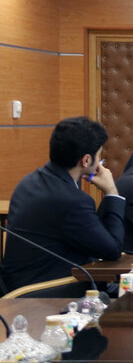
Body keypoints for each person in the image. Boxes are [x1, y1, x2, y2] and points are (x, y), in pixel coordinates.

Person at [0, 116, 125, 292]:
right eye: (98, 155)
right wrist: (111, 191)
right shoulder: (72, 200)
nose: (100, 162)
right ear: (86, 160)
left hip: (20, 286)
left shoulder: (29, 181)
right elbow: (112, 250)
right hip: (46, 292)